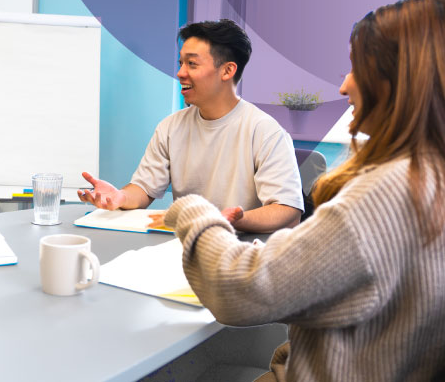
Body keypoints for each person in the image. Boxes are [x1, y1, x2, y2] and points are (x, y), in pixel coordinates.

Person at [162, 0, 445, 381]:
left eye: (356, 69)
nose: (344, 86)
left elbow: (240, 291)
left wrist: (192, 209)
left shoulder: (388, 193)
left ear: (401, 82)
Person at [78, 19, 303, 233]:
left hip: (241, 250)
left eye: (192, 64)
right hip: (186, 247)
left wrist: (230, 219)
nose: (180, 73)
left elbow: (287, 210)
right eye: (181, 63)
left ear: (227, 70)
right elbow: (144, 189)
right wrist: (119, 198)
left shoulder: (265, 131)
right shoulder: (171, 127)